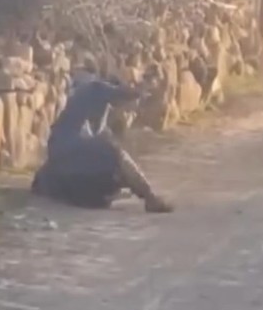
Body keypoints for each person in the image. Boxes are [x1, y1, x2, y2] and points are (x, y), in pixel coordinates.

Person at [32, 78, 174, 213]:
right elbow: (119, 92)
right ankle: (150, 197)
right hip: (71, 159)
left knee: (112, 165)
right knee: (117, 156)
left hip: (66, 179)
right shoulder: (95, 89)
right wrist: (140, 91)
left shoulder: (86, 118)